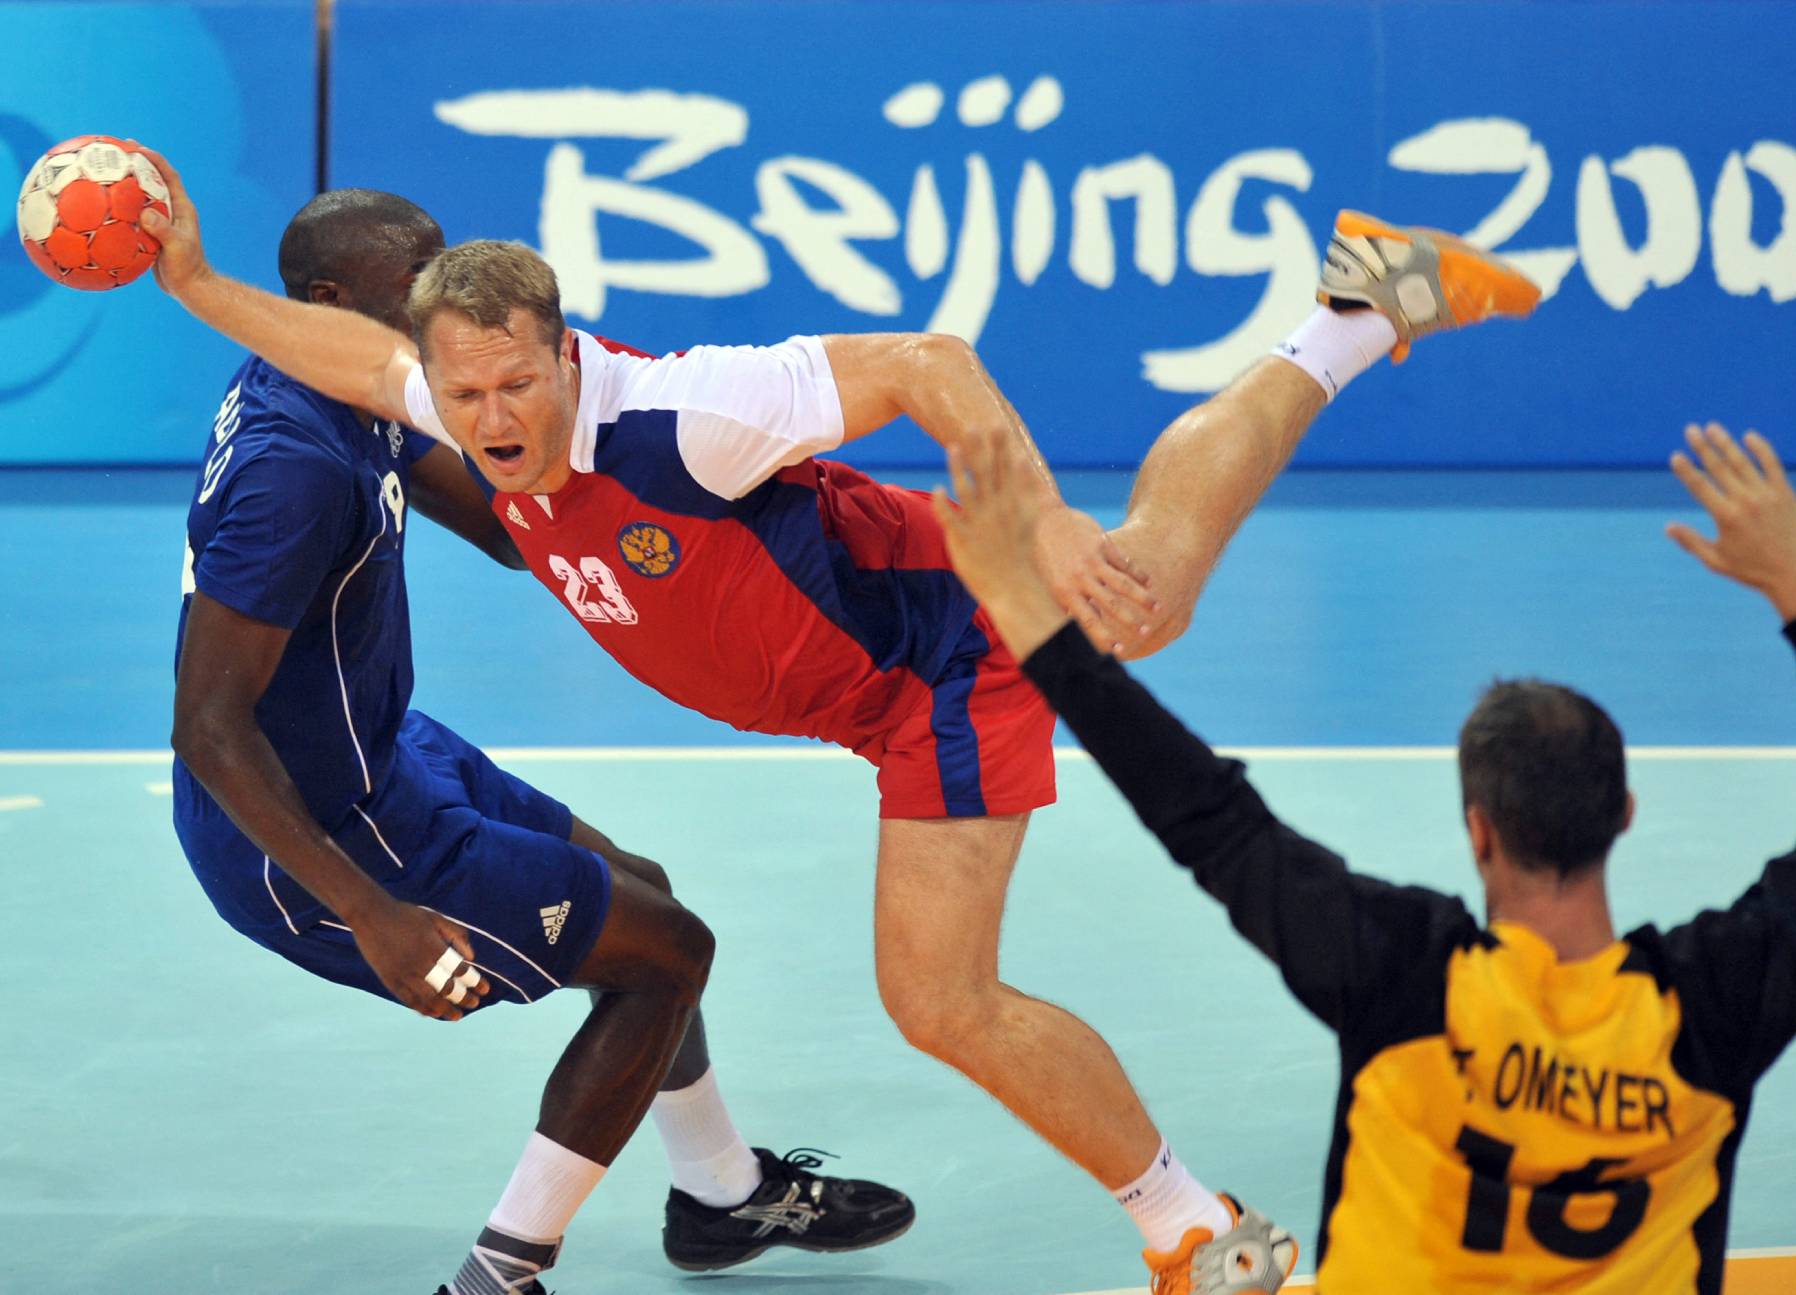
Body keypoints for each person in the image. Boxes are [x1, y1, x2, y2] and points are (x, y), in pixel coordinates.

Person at [133, 142, 1537, 1292]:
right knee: (1142, 593)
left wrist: (1034, 525)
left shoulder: (686, 419)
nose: (489, 418)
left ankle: (1198, 1234)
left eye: (514, 385)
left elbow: (929, 362)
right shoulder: (447, 387)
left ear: (563, 356)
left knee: (946, 990)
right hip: (857, 676)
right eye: (462, 394)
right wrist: (190, 279)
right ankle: (1355, 306)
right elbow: (336, 349)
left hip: (940, 661)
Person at [932, 419, 1796, 1293]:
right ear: (1625, 813)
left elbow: (1205, 812)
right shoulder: (1710, 1007)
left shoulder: (1405, 976)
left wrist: (1028, 611)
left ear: (1477, 828)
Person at [169, 187, 912, 1295]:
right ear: (329, 297)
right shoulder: (295, 471)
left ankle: (718, 1195)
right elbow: (208, 725)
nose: (440, 307)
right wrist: (371, 911)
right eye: (412, 288)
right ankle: (500, 1276)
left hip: (381, 751)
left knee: (641, 888)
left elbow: (507, 527)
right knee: (669, 954)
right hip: (308, 826)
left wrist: (619, 461)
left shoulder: (340, 377)